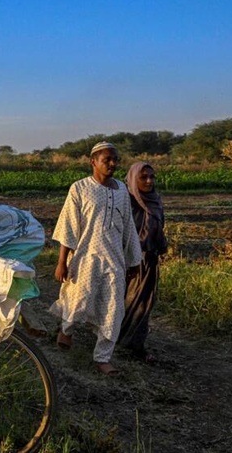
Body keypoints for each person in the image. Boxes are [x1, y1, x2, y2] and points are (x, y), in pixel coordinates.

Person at [49, 142, 142, 376]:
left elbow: (128, 227)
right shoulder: (79, 189)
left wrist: (133, 260)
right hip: (85, 257)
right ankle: (66, 330)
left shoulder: (121, 190)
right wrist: (62, 262)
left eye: (115, 160)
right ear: (93, 162)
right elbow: (69, 226)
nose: (112, 164)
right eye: (106, 160)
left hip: (114, 260)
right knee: (78, 300)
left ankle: (102, 358)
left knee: (113, 309)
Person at [119, 162, 168, 363]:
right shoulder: (127, 202)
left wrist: (161, 244)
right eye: (143, 177)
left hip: (150, 260)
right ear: (133, 178)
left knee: (144, 304)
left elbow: (158, 227)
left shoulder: (154, 200)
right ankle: (124, 344)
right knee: (130, 303)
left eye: (152, 177)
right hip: (131, 262)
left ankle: (133, 344)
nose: (149, 181)